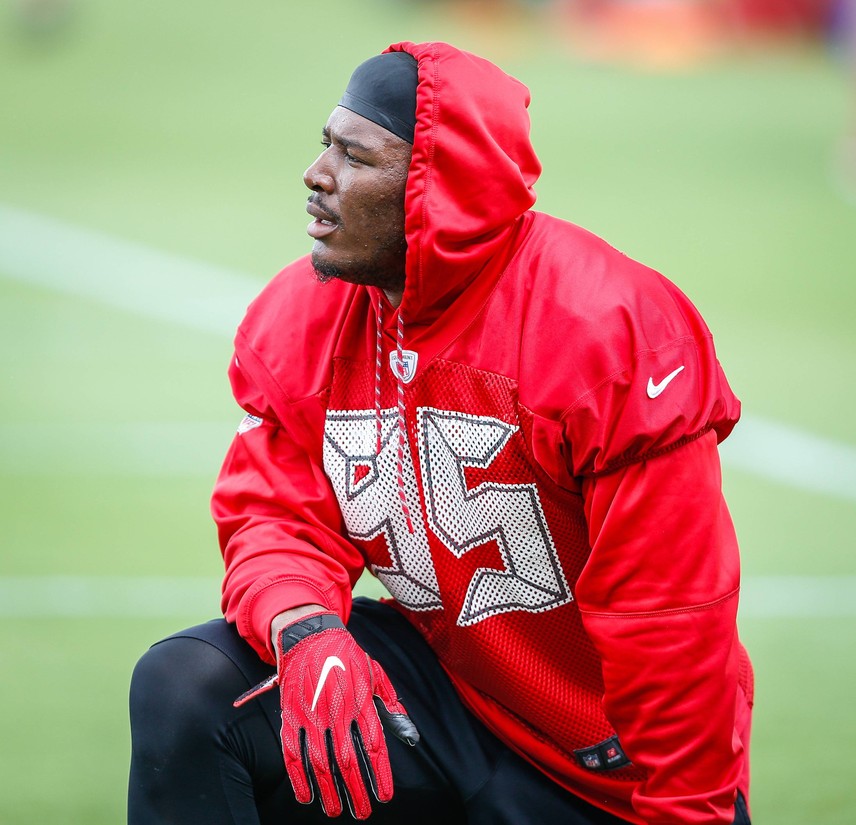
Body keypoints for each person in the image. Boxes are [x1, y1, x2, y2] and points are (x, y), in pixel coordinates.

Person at [128, 41, 754, 825]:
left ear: (439, 189)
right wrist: (306, 626)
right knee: (189, 685)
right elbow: (277, 513)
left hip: (598, 768)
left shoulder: (603, 327)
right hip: (446, 705)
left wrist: (683, 812)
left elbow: (669, 621)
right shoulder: (309, 314)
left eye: (354, 155)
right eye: (325, 143)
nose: (316, 174)